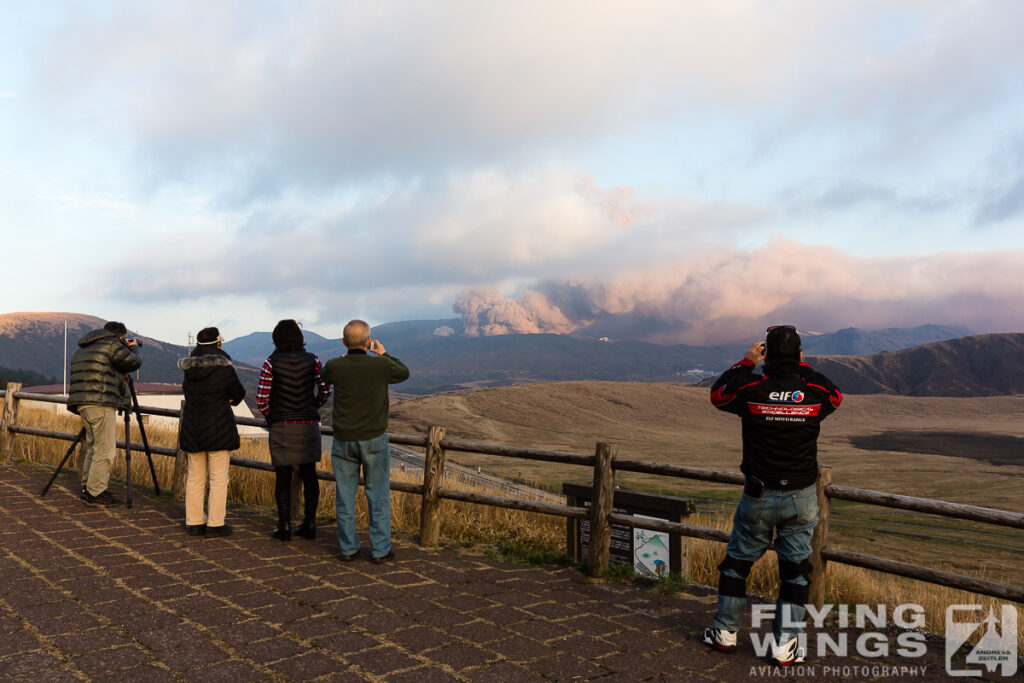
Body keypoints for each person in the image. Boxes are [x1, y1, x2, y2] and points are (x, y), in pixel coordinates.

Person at [702, 325, 842, 667]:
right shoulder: (812, 390)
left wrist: (746, 362)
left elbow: (719, 395)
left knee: (737, 563)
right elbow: (835, 396)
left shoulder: (752, 388)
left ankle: (725, 633)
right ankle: (784, 645)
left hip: (758, 494)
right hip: (801, 496)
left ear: (766, 354)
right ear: (797, 355)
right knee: (795, 572)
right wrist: (801, 368)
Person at [321, 320, 409, 563]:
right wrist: (383, 353)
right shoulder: (380, 365)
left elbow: (323, 376)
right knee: (378, 495)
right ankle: (380, 549)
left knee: (345, 496)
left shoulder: (335, 365)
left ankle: (348, 548)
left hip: (344, 439)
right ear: (368, 342)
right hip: (373, 439)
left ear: (343, 342)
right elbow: (403, 372)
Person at [256, 320, 331, 541]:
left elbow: (262, 399)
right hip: (308, 424)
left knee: (283, 475)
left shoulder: (271, 362)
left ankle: (285, 525)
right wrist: (313, 406)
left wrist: (273, 414)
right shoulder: (314, 360)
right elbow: (325, 389)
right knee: (309, 474)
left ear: (276, 338)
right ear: (299, 337)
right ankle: (310, 523)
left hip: (282, 425)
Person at [178, 327, 246, 537]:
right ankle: (216, 524)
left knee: (194, 476)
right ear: (218, 343)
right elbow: (238, 392)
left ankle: (194, 522)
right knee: (218, 478)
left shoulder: (189, 368)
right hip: (218, 426)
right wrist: (228, 399)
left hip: (192, 425)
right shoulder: (224, 367)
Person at [67, 321, 143, 508]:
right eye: (123, 339)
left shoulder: (84, 348)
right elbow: (133, 362)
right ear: (118, 336)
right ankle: (96, 493)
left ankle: (89, 487)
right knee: (105, 450)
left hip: (83, 403)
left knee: (94, 447)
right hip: (101, 402)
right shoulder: (110, 344)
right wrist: (133, 348)